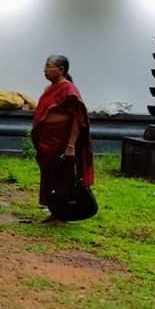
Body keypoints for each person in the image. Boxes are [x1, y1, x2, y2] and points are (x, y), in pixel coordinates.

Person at [31, 54, 95, 221]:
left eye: (48, 66)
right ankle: (54, 211)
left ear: (61, 70)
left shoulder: (69, 90)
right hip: (47, 142)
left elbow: (77, 120)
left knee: (63, 178)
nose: (44, 70)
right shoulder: (48, 89)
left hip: (62, 142)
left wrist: (71, 146)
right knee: (49, 176)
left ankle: (64, 212)